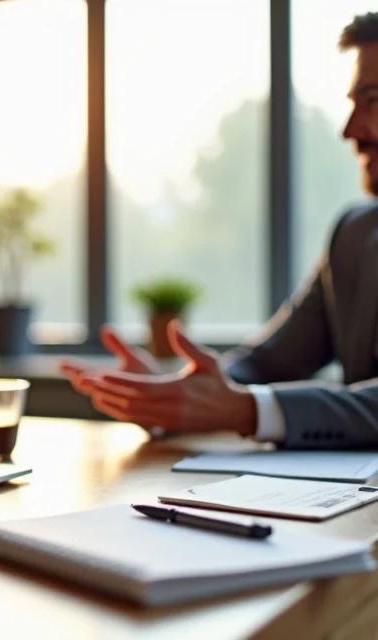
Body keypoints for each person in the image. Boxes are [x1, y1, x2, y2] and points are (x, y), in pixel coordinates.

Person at [62, 11, 378, 450]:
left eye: (373, 101)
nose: (351, 130)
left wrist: (245, 410)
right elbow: (271, 359)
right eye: (353, 103)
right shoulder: (355, 233)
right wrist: (183, 391)